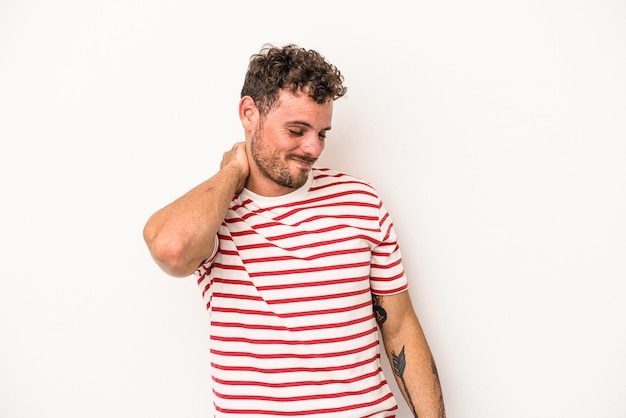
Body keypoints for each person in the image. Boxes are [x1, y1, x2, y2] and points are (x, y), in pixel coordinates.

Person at [143, 43, 446, 418]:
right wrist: (233, 172)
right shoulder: (215, 212)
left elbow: (399, 326)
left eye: (322, 133)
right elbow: (171, 248)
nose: (314, 148)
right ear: (249, 113)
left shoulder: (360, 202)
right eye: (297, 130)